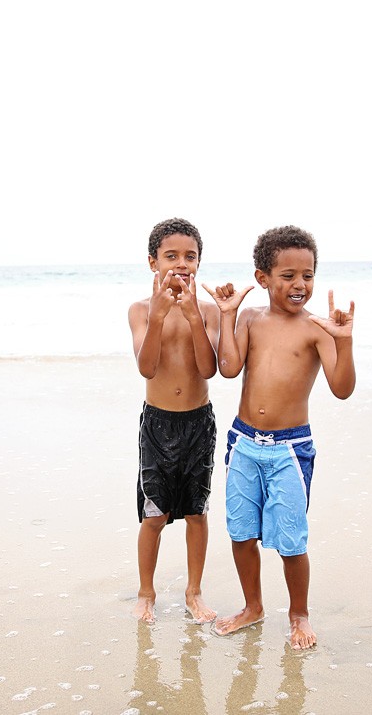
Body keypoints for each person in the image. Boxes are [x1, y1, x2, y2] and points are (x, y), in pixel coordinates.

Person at [203, 225, 355, 650]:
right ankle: (253, 607)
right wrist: (229, 314)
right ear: (262, 277)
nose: (299, 284)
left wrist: (344, 342)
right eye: (287, 275)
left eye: (307, 275)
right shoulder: (250, 319)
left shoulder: (317, 329)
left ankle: (299, 614)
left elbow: (342, 388)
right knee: (240, 533)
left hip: (290, 448)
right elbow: (229, 368)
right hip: (244, 443)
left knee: (291, 539)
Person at [127, 217, 222, 625]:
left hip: (198, 423)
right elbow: (147, 368)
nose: (182, 264)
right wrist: (160, 316)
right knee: (155, 515)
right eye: (171, 256)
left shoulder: (209, 310)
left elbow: (208, 368)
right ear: (153, 262)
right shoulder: (140, 310)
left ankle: (193, 591)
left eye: (191, 256)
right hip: (159, 424)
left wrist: (193, 317)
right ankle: (146, 592)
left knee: (197, 512)